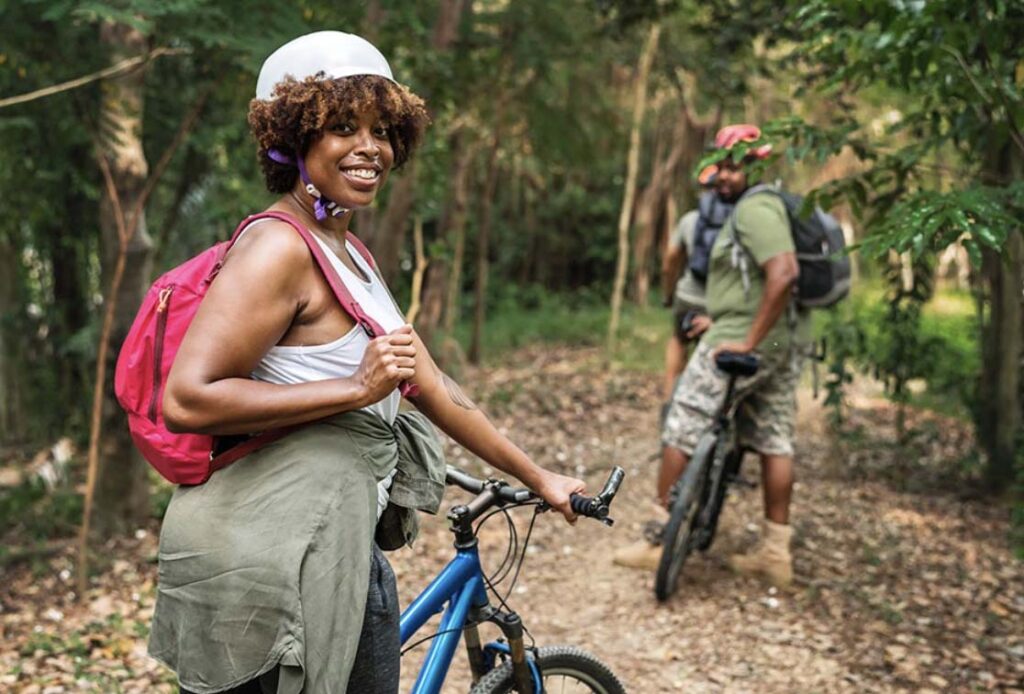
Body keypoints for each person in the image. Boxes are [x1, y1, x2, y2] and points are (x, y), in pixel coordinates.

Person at [149, 31, 586, 694]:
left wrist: (540, 475)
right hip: (270, 561)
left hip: (334, 542)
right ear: (293, 138)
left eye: (383, 129)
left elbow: (431, 385)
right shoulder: (278, 248)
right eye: (343, 127)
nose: (370, 147)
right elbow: (188, 397)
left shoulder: (350, 255)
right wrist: (353, 387)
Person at [615, 124, 807, 588]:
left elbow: (783, 273)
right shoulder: (767, 207)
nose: (721, 174)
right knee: (773, 438)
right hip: (781, 342)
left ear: (756, 165)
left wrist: (744, 339)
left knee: (682, 423)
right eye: (718, 164)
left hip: (741, 340)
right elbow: (757, 283)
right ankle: (776, 554)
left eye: (732, 165)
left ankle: (658, 538)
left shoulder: (755, 209)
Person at [659, 170, 733, 408]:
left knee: (678, 340)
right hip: (724, 304)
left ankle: (669, 400)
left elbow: (670, 261)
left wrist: (668, 295)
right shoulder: (740, 221)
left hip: (688, 297)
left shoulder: (689, 220)